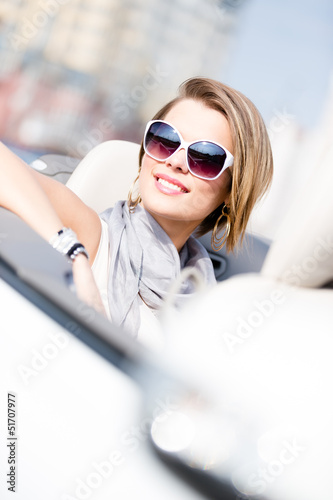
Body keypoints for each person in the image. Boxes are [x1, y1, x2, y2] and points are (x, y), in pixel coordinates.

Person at [0, 77, 273, 345]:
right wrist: (75, 256)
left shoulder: (210, 310)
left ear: (231, 191)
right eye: (165, 139)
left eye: (206, 157)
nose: (175, 161)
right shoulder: (94, 237)